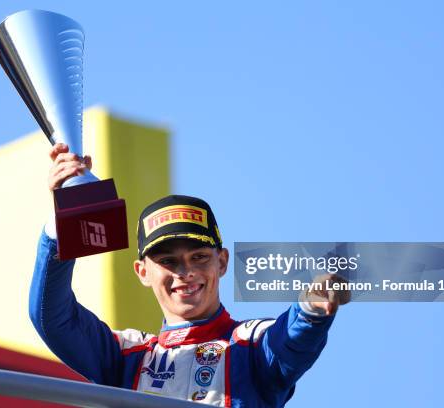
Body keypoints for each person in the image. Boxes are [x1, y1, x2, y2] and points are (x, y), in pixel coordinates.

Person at [29, 143, 350, 407]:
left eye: (199, 257)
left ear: (222, 262)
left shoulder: (251, 344)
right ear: (142, 272)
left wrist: (310, 308)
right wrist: (66, 217)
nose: (186, 272)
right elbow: (54, 319)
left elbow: (291, 340)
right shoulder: (125, 356)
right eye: (168, 261)